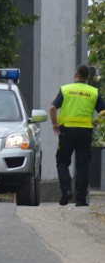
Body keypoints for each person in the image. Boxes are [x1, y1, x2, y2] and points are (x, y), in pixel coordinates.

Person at [49, 64, 105, 206]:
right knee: (83, 165)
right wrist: (96, 122)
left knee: (62, 162)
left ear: (76, 75)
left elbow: (52, 107)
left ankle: (66, 190)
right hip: (85, 132)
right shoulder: (94, 92)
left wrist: (55, 124)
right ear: (88, 77)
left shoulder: (66, 89)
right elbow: (103, 111)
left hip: (67, 131)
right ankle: (81, 200)